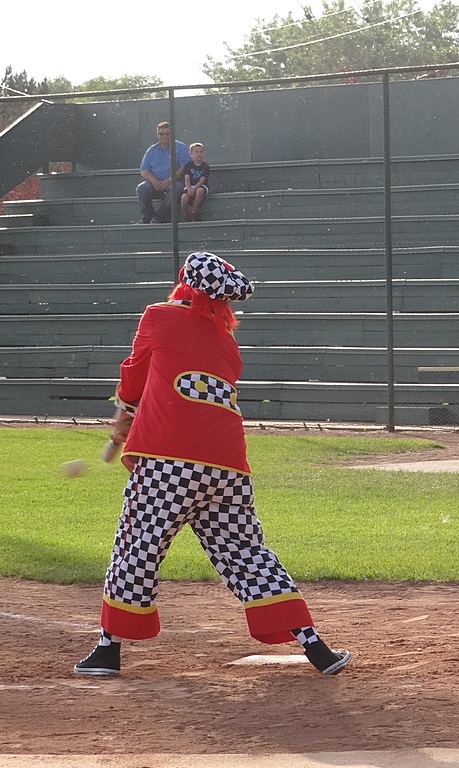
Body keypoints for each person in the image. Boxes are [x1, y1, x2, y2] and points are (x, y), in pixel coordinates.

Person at [73, 252, 352, 677]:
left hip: (168, 462)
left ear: (183, 283)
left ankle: (108, 649)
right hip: (228, 467)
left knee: (138, 547)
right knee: (247, 553)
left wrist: (124, 413)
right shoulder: (226, 340)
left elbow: (135, 375)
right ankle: (316, 648)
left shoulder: (158, 315)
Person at [137, 121, 190, 224]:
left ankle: (158, 217)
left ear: (172, 134)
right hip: (155, 183)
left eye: (167, 133)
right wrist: (154, 181)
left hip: (174, 181)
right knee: (142, 188)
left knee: (177, 188)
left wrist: (169, 180)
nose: (164, 136)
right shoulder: (152, 150)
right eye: (161, 134)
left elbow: (185, 167)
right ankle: (147, 217)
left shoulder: (181, 148)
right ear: (157, 134)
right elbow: (144, 170)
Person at [179, 142, 211, 222]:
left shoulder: (205, 166)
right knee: (184, 198)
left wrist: (195, 188)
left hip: (201, 186)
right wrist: (189, 189)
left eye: (201, 152)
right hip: (190, 185)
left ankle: (194, 211)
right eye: (196, 152)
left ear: (203, 153)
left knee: (199, 191)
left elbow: (202, 180)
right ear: (191, 153)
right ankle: (186, 214)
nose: (198, 154)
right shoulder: (188, 166)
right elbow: (187, 178)